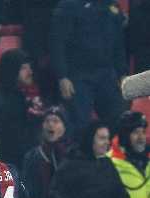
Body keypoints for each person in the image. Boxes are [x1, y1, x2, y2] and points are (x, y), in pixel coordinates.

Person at [50, 0, 126, 133]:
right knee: (80, 124)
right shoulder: (69, 5)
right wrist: (62, 76)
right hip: (79, 76)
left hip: (107, 74)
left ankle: (110, 154)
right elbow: (57, 43)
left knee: (117, 121)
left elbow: (119, 44)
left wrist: (122, 73)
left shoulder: (111, 6)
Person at [49, 122, 129, 198]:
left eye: (108, 138)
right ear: (90, 139)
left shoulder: (107, 163)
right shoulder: (70, 164)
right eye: (102, 138)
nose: (107, 142)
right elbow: (55, 194)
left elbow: (122, 193)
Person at [0, 49, 46, 172]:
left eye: (30, 67)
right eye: (24, 68)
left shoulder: (24, 97)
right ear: (12, 71)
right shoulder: (0, 102)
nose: (30, 72)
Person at [21, 107, 70, 198]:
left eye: (56, 121)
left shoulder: (72, 155)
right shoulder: (32, 156)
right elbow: (26, 185)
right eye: (47, 121)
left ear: (64, 127)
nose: (50, 124)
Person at [108, 111, 150, 198]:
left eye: (143, 132)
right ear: (124, 136)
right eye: (136, 132)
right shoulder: (108, 162)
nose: (141, 138)